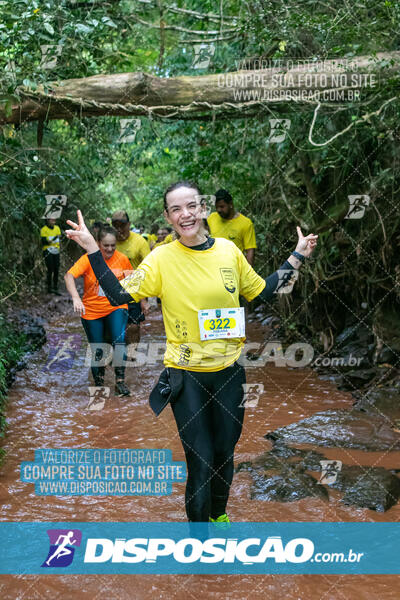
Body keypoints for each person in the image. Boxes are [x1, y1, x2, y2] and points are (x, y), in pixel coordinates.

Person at [65, 181, 318, 522]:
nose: (185, 214)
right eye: (176, 209)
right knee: (200, 460)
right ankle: (199, 544)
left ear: (202, 209)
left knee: (223, 455)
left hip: (230, 373)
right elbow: (116, 296)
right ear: (168, 217)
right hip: (186, 377)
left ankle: (219, 517)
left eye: (190, 206)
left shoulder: (229, 251)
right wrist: (93, 249)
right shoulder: (161, 259)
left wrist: (298, 255)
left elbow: (263, 292)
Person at [64, 225, 132, 397]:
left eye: (113, 245)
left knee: (119, 340)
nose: (109, 249)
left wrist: (142, 302)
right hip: (92, 310)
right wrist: (75, 298)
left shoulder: (122, 259)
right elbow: (69, 276)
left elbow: (134, 282)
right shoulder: (88, 259)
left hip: (116, 306)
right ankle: (99, 383)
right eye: (105, 245)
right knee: (97, 348)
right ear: (97, 243)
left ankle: (120, 382)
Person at [111, 210, 150, 345]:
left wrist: (144, 299)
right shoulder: (108, 242)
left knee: (133, 326)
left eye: (122, 225)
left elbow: (148, 269)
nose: (119, 229)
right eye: (115, 226)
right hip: (112, 290)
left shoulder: (139, 241)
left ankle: (132, 357)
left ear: (129, 224)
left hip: (133, 290)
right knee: (110, 326)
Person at [207, 189, 257, 266]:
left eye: (222, 206)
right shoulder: (211, 218)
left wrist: (247, 275)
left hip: (234, 268)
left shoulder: (245, 223)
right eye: (217, 207)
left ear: (230, 204)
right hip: (214, 267)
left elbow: (250, 250)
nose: (219, 210)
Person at [40, 218, 62, 295]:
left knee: (56, 269)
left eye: (54, 220)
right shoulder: (44, 229)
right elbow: (43, 241)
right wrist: (49, 241)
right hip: (47, 250)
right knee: (50, 268)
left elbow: (59, 238)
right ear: (48, 221)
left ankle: (55, 287)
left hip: (56, 250)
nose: (53, 222)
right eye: (51, 220)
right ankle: (49, 288)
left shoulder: (57, 228)